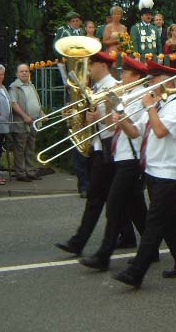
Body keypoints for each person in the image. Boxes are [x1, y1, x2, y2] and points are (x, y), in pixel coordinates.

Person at [113, 60, 176, 287]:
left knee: (154, 223)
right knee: (171, 220)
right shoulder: (156, 105)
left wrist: (149, 107)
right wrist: (121, 119)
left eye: (152, 81)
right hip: (152, 169)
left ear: (165, 82)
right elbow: (135, 132)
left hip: (169, 170)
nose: (149, 85)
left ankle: (136, 272)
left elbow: (160, 131)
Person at [78, 56, 150, 271]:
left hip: (131, 157)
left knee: (114, 205)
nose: (121, 76)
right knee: (136, 207)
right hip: (121, 155)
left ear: (135, 76)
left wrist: (115, 109)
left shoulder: (139, 96)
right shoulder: (126, 94)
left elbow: (132, 127)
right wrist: (102, 114)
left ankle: (103, 255)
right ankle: (152, 249)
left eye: (125, 72)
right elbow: (112, 125)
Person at [55, 51, 123, 256]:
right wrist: (77, 115)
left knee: (98, 198)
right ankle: (134, 236)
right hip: (99, 148)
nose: (89, 70)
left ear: (102, 65)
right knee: (121, 200)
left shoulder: (115, 88)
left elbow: (118, 123)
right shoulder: (95, 89)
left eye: (91, 65)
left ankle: (79, 242)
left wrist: (98, 117)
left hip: (111, 148)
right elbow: (92, 119)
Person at [9, 64, 44, 182]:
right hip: (21, 122)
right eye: (22, 71)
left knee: (31, 147)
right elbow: (13, 103)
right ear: (17, 74)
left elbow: (35, 102)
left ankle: (30, 171)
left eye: (26, 71)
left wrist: (41, 113)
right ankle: (21, 173)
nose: (24, 73)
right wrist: (24, 116)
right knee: (20, 149)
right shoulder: (14, 87)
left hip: (34, 121)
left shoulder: (31, 85)